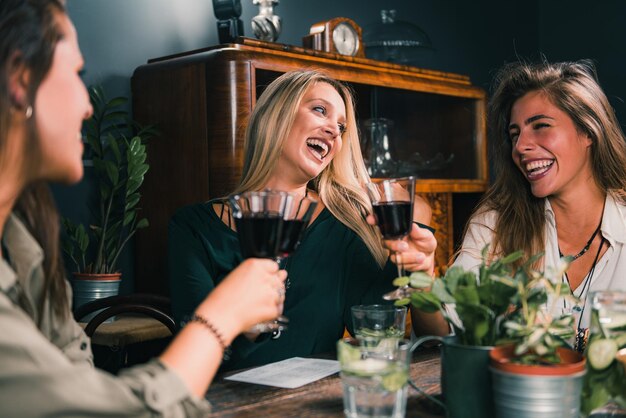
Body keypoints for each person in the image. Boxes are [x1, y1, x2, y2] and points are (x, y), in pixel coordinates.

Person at [0, 1, 286, 416]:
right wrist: (219, 319)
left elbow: (75, 377)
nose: (88, 104)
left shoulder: (26, 241)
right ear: (22, 78)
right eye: (77, 74)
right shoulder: (194, 224)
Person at [168, 70, 439, 371]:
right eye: (320, 110)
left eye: (341, 127)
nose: (334, 132)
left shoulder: (345, 224)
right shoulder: (193, 226)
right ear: (275, 114)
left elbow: (428, 341)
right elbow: (191, 347)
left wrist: (423, 277)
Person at [452, 59, 626, 351]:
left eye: (541, 126)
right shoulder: (495, 222)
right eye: (514, 134)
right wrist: (421, 278)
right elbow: (449, 322)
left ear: (588, 131)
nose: (520, 147)